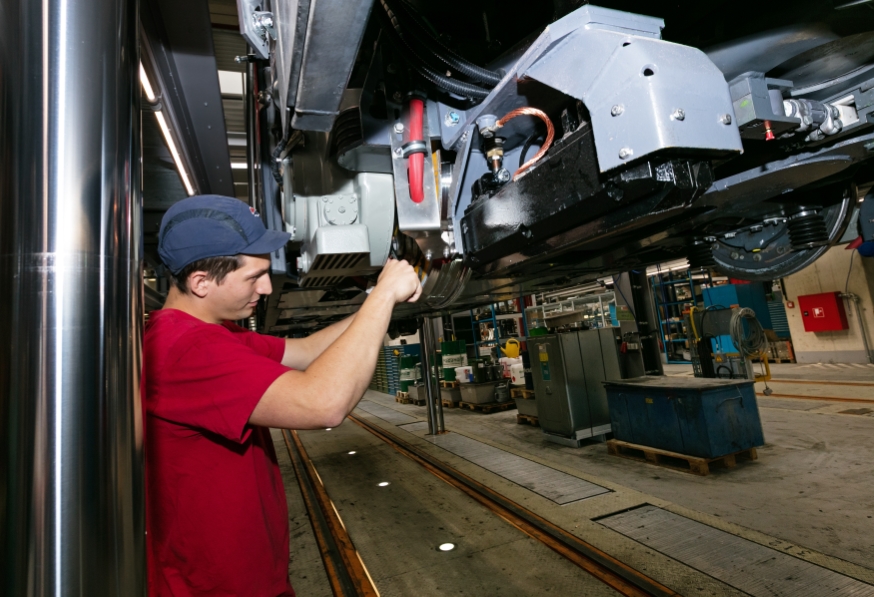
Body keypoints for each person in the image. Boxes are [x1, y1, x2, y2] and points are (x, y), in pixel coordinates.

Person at [144, 195, 422, 596]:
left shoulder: (212, 334)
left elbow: (307, 351)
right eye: (253, 276)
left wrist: (382, 306)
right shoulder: (185, 349)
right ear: (200, 282)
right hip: (216, 587)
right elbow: (323, 403)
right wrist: (381, 295)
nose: (267, 286)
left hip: (248, 575)